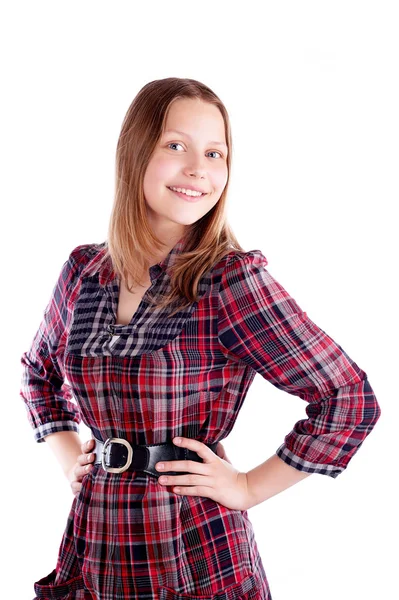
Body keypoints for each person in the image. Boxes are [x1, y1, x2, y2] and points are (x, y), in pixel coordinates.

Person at [20, 77, 381, 600]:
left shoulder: (230, 281)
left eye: (216, 153)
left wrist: (248, 487)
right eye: (176, 146)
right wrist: (72, 454)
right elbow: (38, 372)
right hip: (94, 544)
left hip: (191, 552)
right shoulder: (84, 270)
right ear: (134, 153)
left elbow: (347, 398)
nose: (198, 169)